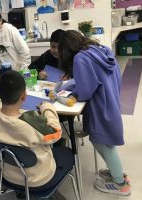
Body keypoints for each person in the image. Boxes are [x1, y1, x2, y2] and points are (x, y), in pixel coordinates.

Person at [58, 30, 130, 196]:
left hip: (100, 106)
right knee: (101, 141)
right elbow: (98, 77)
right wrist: (73, 85)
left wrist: (72, 92)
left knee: (104, 143)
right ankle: (116, 173)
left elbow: (85, 91)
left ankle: (120, 184)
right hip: (110, 100)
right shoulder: (101, 50)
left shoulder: (80, 59)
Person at [0, 70, 62, 189]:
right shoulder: (31, 122)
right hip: (37, 179)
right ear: (24, 96)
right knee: (65, 151)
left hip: (8, 175)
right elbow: (56, 133)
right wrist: (47, 108)